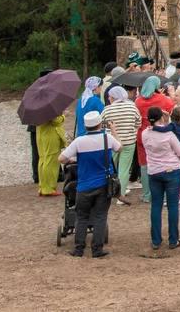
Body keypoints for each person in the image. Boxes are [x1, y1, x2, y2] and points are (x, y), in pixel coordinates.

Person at [58, 110, 119, 258]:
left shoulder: (79, 141)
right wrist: (114, 131)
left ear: (86, 126)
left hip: (84, 186)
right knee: (100, 216)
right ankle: (97, 249)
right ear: (99, 124)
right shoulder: (107, 138)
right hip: (103, 184)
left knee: (81, 216)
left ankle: (78, 248)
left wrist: (73, 160)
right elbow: (119, 148)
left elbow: (61, 158)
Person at [141, 105, 180, 251]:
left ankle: (156, 240)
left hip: (154, 171)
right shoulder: (169, 135)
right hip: (171, 170)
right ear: (161, 117)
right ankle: (173, 239)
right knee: (173, 206)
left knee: (156, 206)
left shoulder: (145, 134)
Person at [101, 86, 139, 202]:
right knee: (124, 169)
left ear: (113, 97)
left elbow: (101, 124)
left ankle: (105, 192)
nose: (108, 98)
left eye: (110, 96)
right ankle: (120, 195)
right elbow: (138, 122)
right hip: (128, 142)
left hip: (112, 143)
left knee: (109, 167)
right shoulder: (132, 107)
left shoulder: (107, 109)